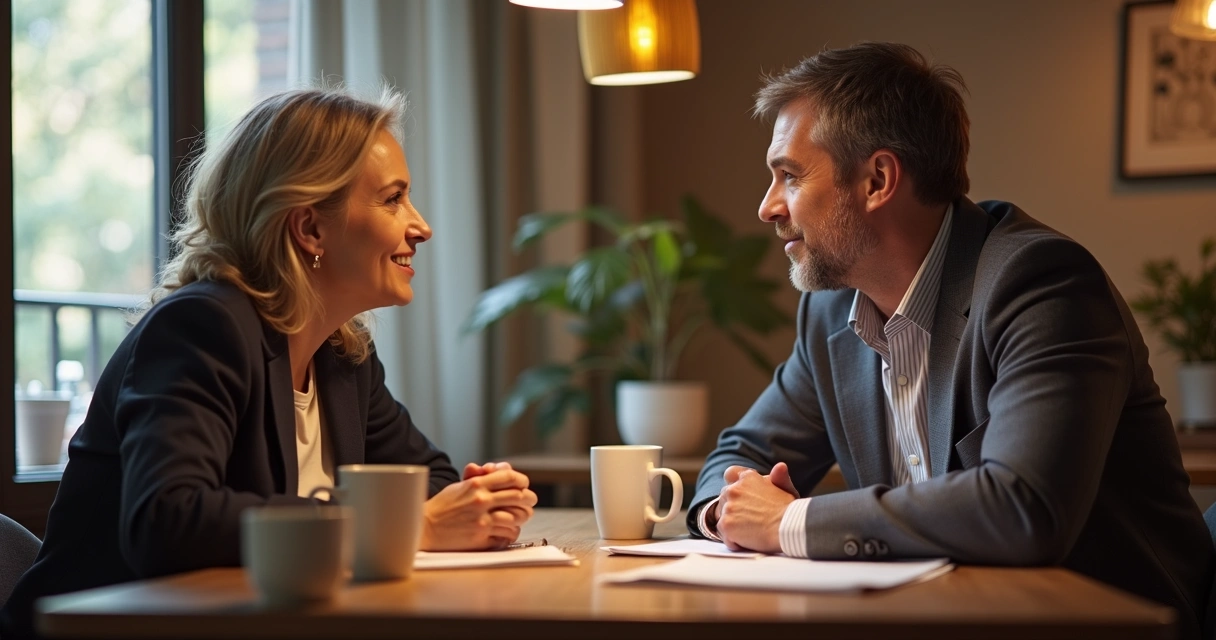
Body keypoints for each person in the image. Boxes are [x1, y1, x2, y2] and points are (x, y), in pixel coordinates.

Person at [688, 42, 1213, 639]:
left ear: (878, 180)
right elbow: (738, 456)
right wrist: (727, 512)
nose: (767, 207)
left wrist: (790, 521)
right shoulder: (830, 315)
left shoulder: (1042, 283)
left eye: (789, 175)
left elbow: (1024, 508)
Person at [1, 87, 537, 639]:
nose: (420, 226)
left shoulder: (342, 354)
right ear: (309, 228)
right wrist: (405, 527)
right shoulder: (200, 328)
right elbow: (169, 520)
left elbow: (431, 481)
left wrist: (475, 505)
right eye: (393, 199)